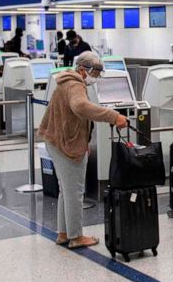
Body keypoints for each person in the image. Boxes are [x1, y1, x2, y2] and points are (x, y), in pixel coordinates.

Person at [38, 51, 128, 248]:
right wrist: (113, 116)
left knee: (66, 189)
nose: (95, 77)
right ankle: (76, 236)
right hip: (65, 144)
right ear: (81, 69)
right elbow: (80, 107)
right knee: (75, 191)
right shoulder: (75, 84)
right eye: (93, 72)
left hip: (56, 140)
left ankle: (64, 233)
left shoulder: (65, 82)